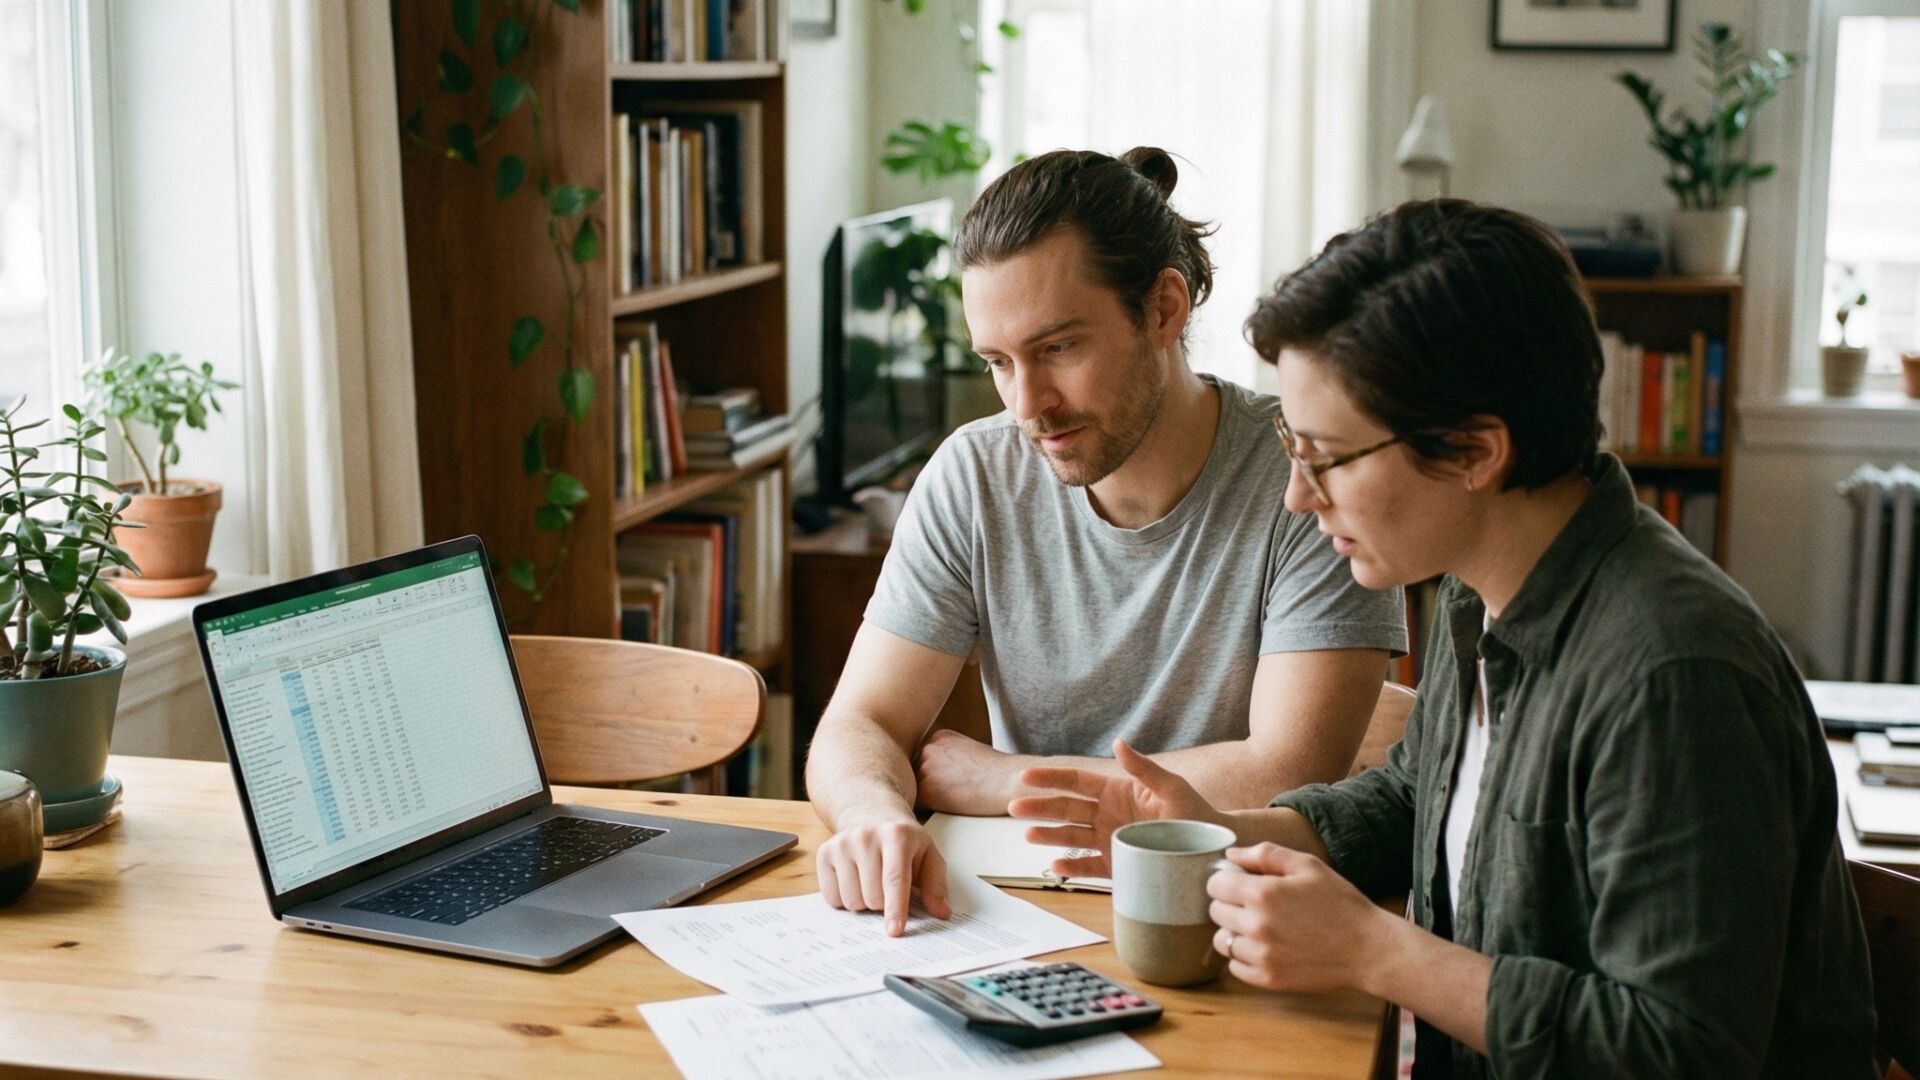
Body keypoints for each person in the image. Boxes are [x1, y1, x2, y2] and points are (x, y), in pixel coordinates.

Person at [1012, 200, 1877, 1077]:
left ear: (1475, 452)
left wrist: (1377, 953)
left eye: (1327, 457)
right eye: (1289, 447)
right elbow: (1413, 796)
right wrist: (1224, 832)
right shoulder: (1481, 586)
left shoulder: (1672, 676)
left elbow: (1679, 1049)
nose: (1297, 497)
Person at [807, 147, 1409, 936]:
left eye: (1058, 349)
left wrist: (1007, 779)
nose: (1029, 405)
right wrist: (872, 814)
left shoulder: (1306, 476)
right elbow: (862, 723)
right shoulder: (974, 473)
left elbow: (1288, 771)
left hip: (1237, 914)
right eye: (998, 362)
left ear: (1165, 309)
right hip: (1021, 910)